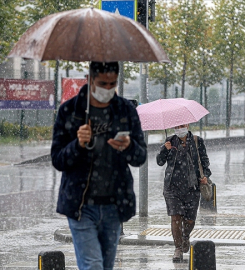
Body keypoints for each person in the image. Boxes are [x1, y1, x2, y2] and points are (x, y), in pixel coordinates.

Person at [51, 61, 147, 270]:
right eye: (102, 83)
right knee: (92, 265)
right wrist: (77, 144)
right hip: (80, 206)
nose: (107, 89)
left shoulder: (126, 110)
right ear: (90, 80)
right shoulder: (70, 111)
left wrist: (129, 146)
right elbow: (58, 159)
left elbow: (140, 157)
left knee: (105, 265)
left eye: (112, 84)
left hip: (114, 205)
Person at [156, 124, 211, 262]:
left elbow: (205, 163)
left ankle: (185, 236)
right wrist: (164, 149)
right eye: (177, 126)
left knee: (190, 219)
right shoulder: (169, 141)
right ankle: (178, 249)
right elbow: (159, 161)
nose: (179, 129)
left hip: (192, 187)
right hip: (172, 187)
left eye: (182, 126)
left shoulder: (197, 141)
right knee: (175, 217)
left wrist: (205, 177)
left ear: (187, 125)